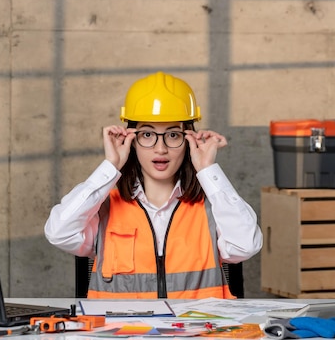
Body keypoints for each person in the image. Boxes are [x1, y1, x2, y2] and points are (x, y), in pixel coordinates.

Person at [44, 71, 263, 299]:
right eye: (147, 134)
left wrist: (207, 169)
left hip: (196, 332)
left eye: (173, 135)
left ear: (189, 140)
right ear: (131, 140)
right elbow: (58, 232)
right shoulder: (103, 208)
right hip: (118, 333)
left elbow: (247, 245)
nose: (161, 149)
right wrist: (111, 166)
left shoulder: (212, 208)